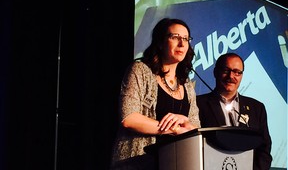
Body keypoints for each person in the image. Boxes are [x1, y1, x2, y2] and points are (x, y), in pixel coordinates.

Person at [110, 18, 201, 170]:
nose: (182, 43)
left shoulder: (187, 85)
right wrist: (175, 129)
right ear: (160, 42)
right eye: (175, 37)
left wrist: (184, 120)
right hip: (137, 163)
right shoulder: (141, 70)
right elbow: (129, 118)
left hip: (175, 163)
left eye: (186, 39)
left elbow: (195, 129)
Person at [196, 52, 272, 170]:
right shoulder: (198, 104)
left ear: (242, 75)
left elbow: (264, 148)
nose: (231, 76)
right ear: (215, 72)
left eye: (237, 72)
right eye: (226, 70)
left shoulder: (257, 108)